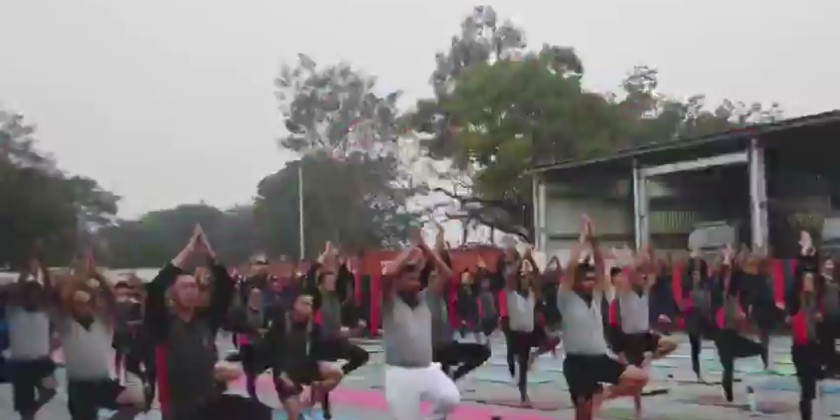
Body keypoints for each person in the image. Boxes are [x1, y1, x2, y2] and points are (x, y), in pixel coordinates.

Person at [559, 216, 648, 420]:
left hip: (600, 359)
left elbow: (601, 267)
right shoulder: (566, 297)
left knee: (640, 377)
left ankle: (604, 394)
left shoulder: (598, 297)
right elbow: (571, 267)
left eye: (592, 279)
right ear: (577, 281)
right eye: (586, 279)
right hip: (577, 363)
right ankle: (593, 399)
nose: (591, 282)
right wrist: (582, 239)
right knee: (584, 415)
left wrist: (595, 242)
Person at [144, 226, 236, 420]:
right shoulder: (163, 324)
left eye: (193, 286)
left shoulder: (207, 321)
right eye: (184, 287)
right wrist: (188, 251)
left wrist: (209, 254)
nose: (190, 291)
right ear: (173, 294)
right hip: (177, 407)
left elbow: (226, 288)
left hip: (209, 402)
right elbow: (155, 289)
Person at [382, 228, 460, 420]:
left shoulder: (426, 298)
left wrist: (425, 247)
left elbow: (446, 274)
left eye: (416, 278)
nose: (415, 281)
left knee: (450, 398)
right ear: (398, 281)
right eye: (409, 278)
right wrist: (411, 250)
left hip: (426, 370)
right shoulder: (390, 301)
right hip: (400, 374)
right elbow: (389, 273)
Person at [54, 265, 145, 420]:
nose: (82, 307)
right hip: (79, 385)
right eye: (77, 304)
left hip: (103, 382)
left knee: (137, 400)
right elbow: (59, 299)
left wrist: (97, 276)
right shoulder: (67, 324)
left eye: (85, 303)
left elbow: (109, 298)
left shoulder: (102, 321)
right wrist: (78, 280)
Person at [608, 246, 677, 416]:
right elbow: (626, 275)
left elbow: (652, 272)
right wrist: (628, 260)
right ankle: (633, 407)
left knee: (671, 344)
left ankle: (648, 356)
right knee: (637, 380)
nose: (643, 277)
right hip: (630, 338)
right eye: (639, 275)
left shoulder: (645, 290)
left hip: (645, 335)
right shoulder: (625, 291)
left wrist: (650, 256)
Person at [261, 291, 344, 420]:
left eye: (310, 304)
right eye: (304, 303)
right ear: (295, 304)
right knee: (293, 412)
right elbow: (270, 352)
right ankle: (298, 411)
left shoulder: (313, 327)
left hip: (304, 368)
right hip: (284, 372)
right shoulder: (281, 323)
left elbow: (320, 350)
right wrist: (281, 374)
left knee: (337, 372)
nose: (307, 307)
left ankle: (314, 397)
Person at [2, 252, 58, 420]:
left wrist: (43, 266)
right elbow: (15, 290)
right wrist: (25, 274)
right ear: (24, 295)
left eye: (36, 294)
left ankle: (32, 409)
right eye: (30, 294)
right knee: (24, 407)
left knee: (50, 390)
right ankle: (28, 412)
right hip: (21, 364)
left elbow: (49, 289)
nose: (34, 297)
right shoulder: (14, 310)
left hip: (42, 361)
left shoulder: (44, 311)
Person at [501, 248, 559, 406]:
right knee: (517, 362)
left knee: (552, 341)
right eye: (523, 278)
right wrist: (521, 260)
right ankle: (522, 392)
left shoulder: (533, 294)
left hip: (528, 333)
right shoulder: (512, 294)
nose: (526, 280)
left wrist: (530, 260)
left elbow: (538, 277)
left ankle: (523, 394)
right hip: (515, 333)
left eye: (527, 278)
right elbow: (509, 277)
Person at [713, 243, 765, 404]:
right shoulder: (719, 283)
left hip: (731, 329)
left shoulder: (736, 283)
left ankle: (729, 388)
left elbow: (736, 276)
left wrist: (738, 257)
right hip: (722, 329)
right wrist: (727, 258)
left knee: (734, 358)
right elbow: (724, 280)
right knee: (728, 362)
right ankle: (728, 389)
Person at [789, 231, 826, 420]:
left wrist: (812, 250)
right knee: (806, 387)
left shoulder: (817, 301)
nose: (809, 282)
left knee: (811, 388)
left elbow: (816, 271)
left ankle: (808, 410)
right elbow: (798, 275)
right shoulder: (796, 301)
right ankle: (806, 413)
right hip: (801, 349)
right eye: (807, 279)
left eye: (811, 280)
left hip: (815, 347)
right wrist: (803, 252)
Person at [681, 253, 716, 381]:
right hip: (692, 316)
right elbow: (685, 300)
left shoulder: (706, 284)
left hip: (703, 315)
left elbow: (708, 298)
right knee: (695, 343)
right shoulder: (687, 284)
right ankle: (696, 369)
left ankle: (700, 368)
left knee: (700, 342)